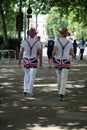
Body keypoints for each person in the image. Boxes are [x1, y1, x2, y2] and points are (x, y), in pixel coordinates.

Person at [52, 27, 74, 101]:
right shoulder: (69, 42)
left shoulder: (57, 41)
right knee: (64, 78)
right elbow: (72, 53)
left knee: (59, 77)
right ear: (66, 34)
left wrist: (52, 57)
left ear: (61, 34)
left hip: (58, 61)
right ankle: (61, 94)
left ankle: (59, 91)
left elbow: (54, 52)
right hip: (66, 61)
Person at [18, 27, 42, 96]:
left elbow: (21, 52)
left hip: (26, 60)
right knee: (32, 76)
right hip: (33, 60)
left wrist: (19, 62)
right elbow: (40, 54)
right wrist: (40, 63)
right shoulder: (38, 42)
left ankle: (25, 89)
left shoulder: (24, 41)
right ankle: (29, 91)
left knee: (26, 74)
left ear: (28, 34)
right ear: (35, 34)